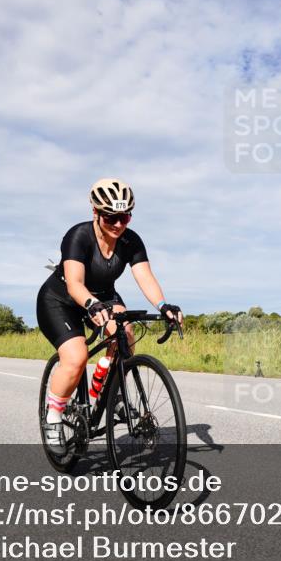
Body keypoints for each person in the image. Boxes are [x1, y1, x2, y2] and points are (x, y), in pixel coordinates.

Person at [36, 178, 182, 453]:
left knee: (125, 332)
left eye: (124, 217)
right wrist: (91, 304)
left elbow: (145, 276)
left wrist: (163, 305)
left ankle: (109, 388)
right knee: (77, 357)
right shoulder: (78, 236)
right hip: (61, 299)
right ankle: (54, 417)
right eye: (111, 217)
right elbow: (75, 283)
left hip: (103, 297)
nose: (118, 224)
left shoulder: (131, 240)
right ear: (96, 212)